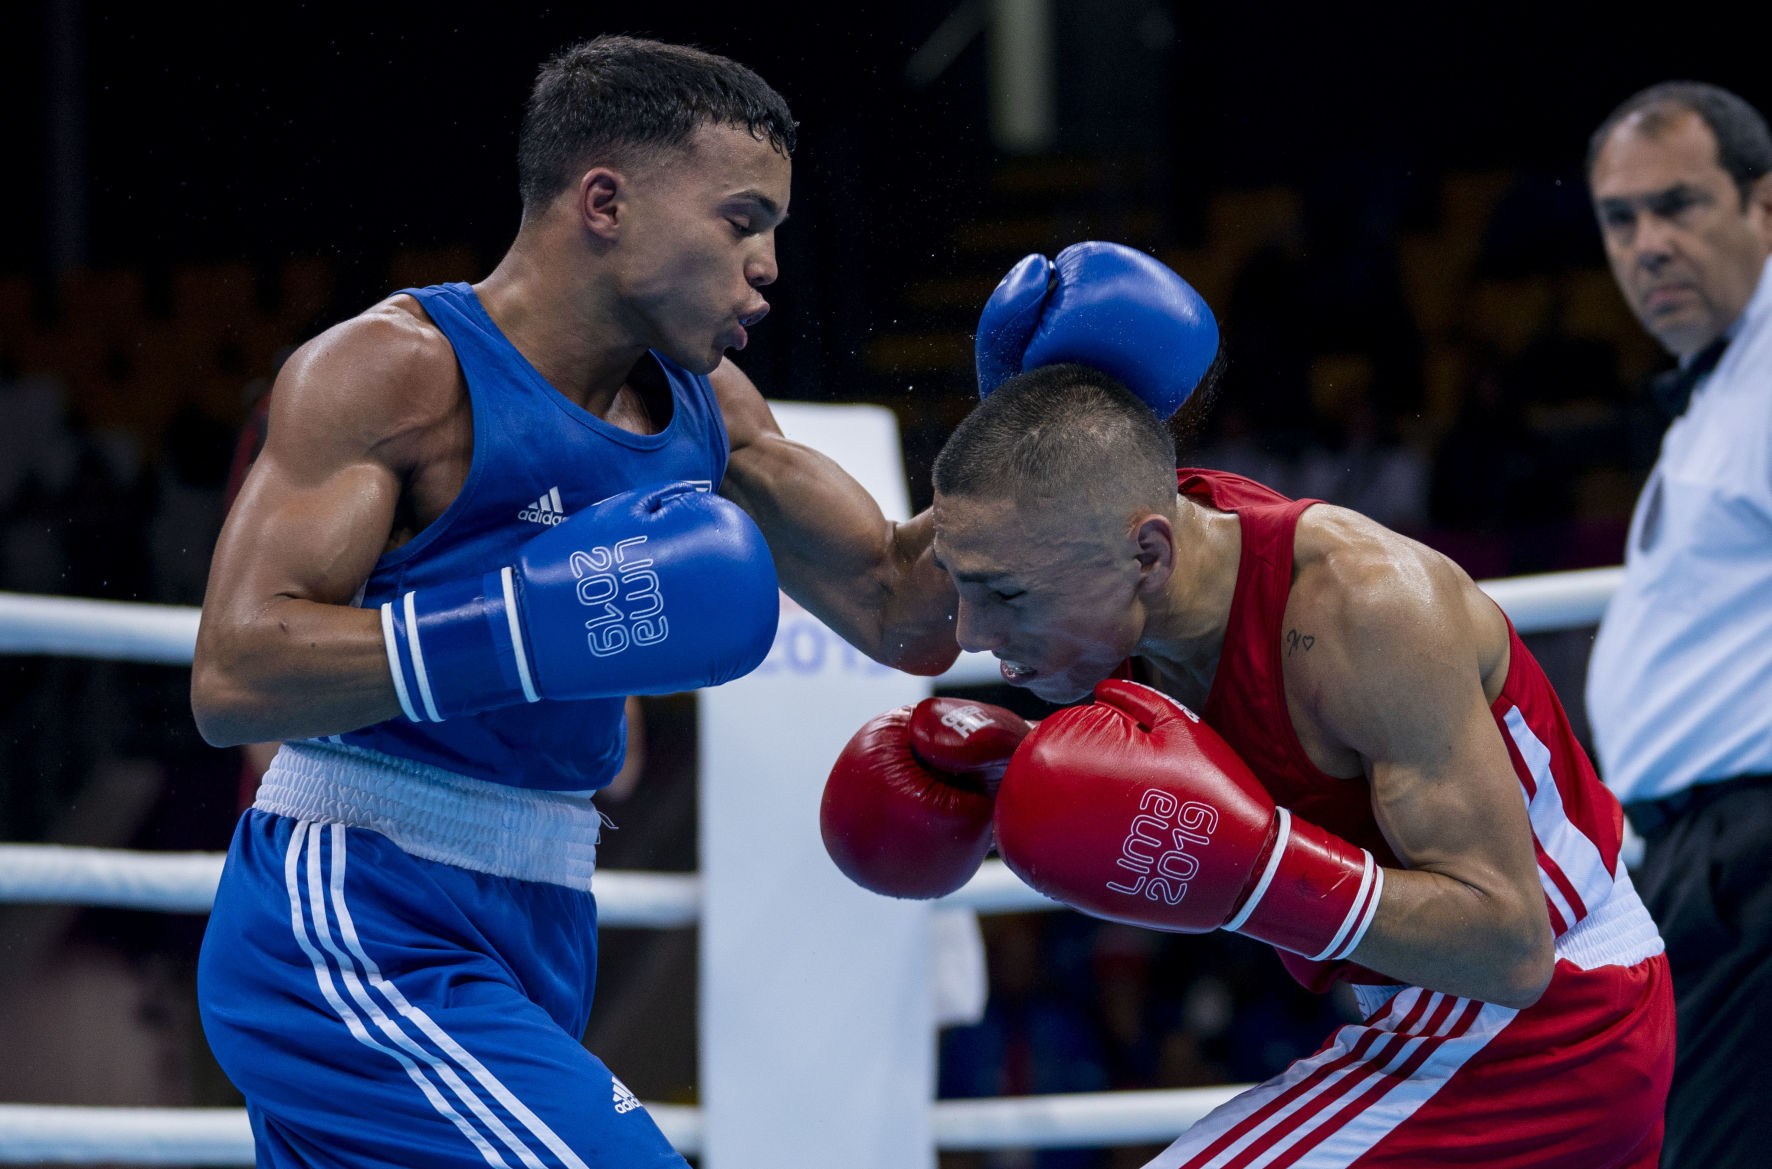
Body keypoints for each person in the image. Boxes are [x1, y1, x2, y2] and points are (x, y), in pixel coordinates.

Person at [190, 36, 959, 1167]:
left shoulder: (705, 406)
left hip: (543, 903)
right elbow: (234, 675)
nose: (768, 266)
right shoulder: (399, 371)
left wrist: (1047, 436)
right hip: (355, 900)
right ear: (604, 200)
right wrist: (517, 629)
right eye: (740, 220)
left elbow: (905, 609)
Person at [821, 251, 1673, 1164]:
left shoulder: (1367, 610)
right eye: (963, 587)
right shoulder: (1132, 572)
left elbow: (1512, 945)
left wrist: (1263, 870)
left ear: (1149, 555)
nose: (974, 632)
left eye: (1008, 597)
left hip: (1555, 1021)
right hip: (1428, 1018)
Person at [1583, 80, 1772, 1169]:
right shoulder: (1719, 391)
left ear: (1761, 205)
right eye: (1619, 218)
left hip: (1745, 851)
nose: (1646, 244)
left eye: (1678, 205)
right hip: (1697, 861)